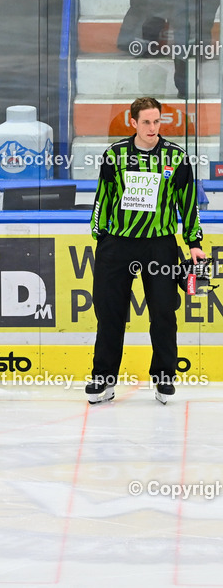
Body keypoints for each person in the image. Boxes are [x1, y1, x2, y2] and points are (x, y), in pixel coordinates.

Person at [87, 96, 205, 406]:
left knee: (163, 313)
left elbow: (188, 202)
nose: (153, 128)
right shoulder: (115, 155)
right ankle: (103, 378)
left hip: (159, 245)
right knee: (109, 314)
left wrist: (194, 243)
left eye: (157, 121)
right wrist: (100, 235)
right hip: (117, 245)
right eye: (146, 122)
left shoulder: (176, 157)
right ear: (133, 123)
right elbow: (103, 197)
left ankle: (164, 377)